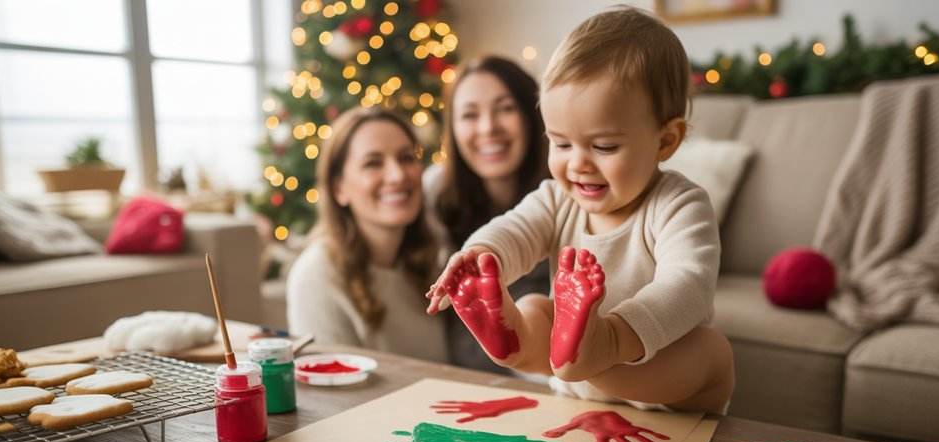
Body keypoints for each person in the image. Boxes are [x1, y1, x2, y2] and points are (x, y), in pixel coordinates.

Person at [426, 6, 734, 413]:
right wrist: (482, 259)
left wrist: (613, 338)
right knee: (536, 306)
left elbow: (688, 285)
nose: (578, 164)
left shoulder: (679, 204)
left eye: (603, 146)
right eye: (561, 143)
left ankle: (584, 351)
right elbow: (515, 230)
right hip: (573, 373)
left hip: (659, 382)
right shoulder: (557, 198)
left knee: (712, 353)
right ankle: (513, 339)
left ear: (665, 141)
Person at [288, 107, 448, 363]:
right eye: (372, 163)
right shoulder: (315, 276)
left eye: (407, 158)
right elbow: (336, 397)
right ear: (339, 188)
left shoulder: (432, 259)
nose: (397, 175)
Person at [425, 55, 551, 373]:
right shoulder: (433, 197)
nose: (488, 128)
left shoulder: (565, 198)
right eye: (469, 115)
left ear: (532, 115)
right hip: (460, 388)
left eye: (505, 109)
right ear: (452, 129)